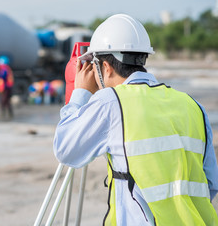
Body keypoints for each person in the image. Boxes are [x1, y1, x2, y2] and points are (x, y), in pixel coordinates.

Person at [53, 14, 218, 225]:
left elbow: (65, 150)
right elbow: (210, 183)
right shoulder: (192, 106)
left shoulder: (112, 103)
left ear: (106, 67)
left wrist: (80, 94)